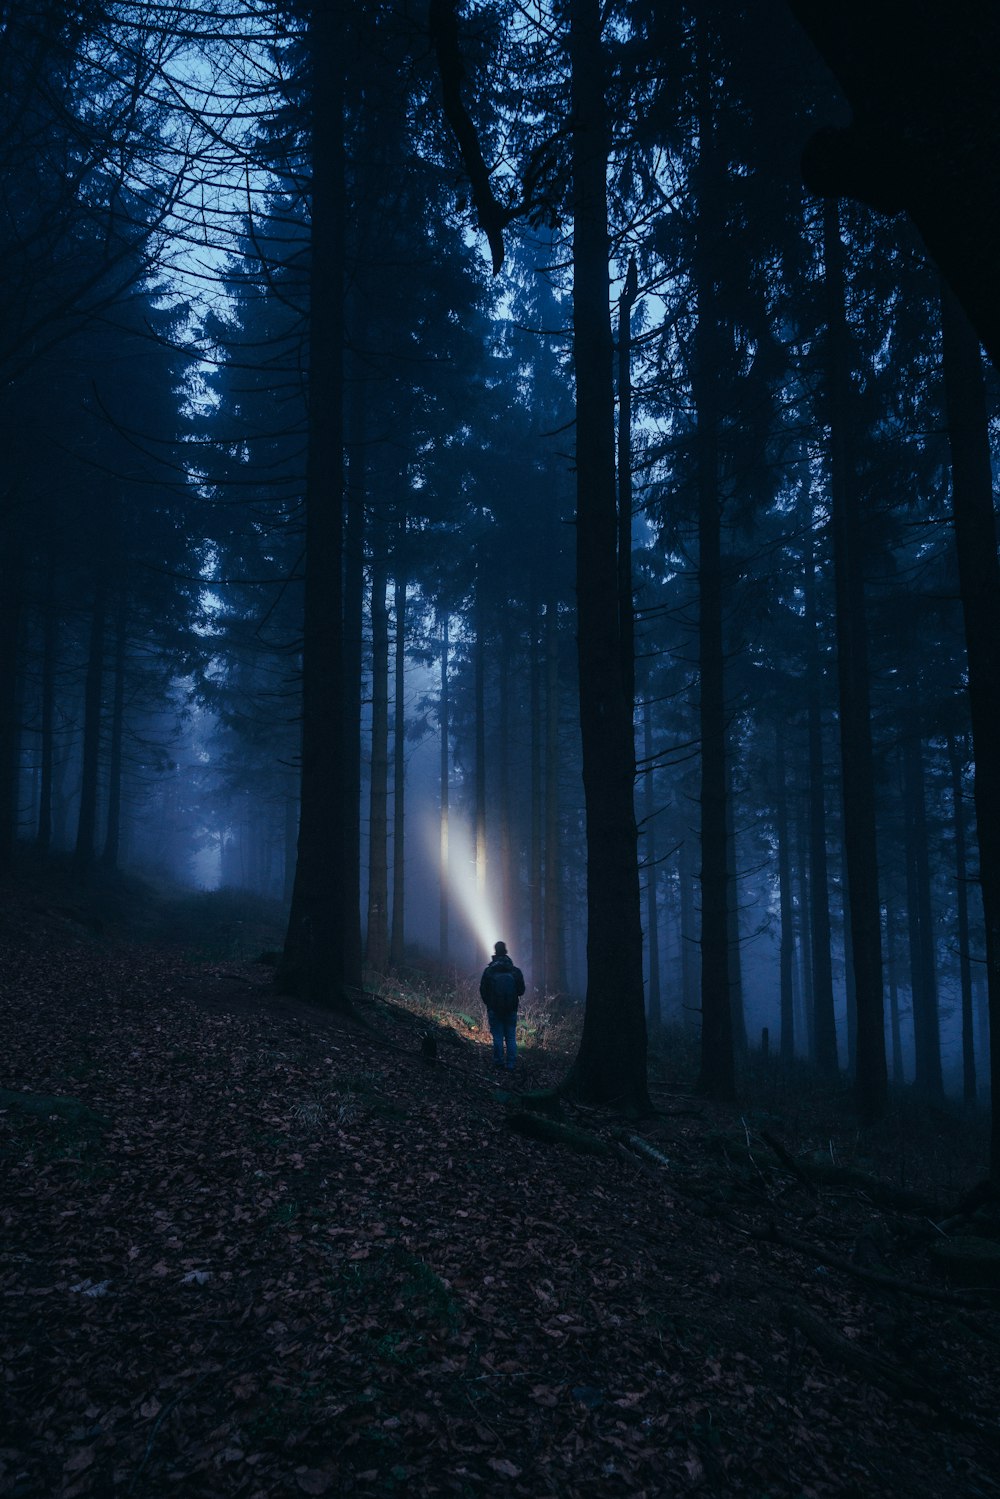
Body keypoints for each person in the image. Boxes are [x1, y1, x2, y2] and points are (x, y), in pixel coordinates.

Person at [479, 940, 525, 1072]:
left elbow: (483, 990)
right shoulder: (515, 971)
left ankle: (498, 1062)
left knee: (497, 1037)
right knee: (511, 1037)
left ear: (495, 952)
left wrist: (490, 1004)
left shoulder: (489, 971)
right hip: (511, 1009)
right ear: (506, 952)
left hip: (494, 1009)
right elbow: (521, 991)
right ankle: (510, 1064)